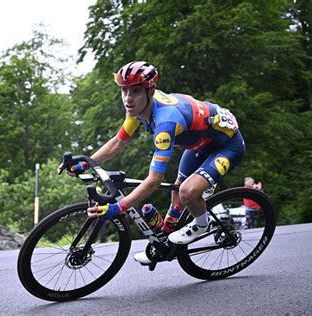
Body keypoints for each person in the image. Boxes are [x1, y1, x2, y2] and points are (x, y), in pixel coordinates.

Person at [59, 61, 245, 265]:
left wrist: (118, 207)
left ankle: (202, 223)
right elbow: (119, 141)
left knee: (187, 192)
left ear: (150, 91)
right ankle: (164, 239)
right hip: (199, 145)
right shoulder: (137, 109)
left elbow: (154, 181)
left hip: (227, 145)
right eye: (124, 91)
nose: (128, 99)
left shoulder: (165, 123)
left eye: (135, 92)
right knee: (176, 194)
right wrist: (87, 163)